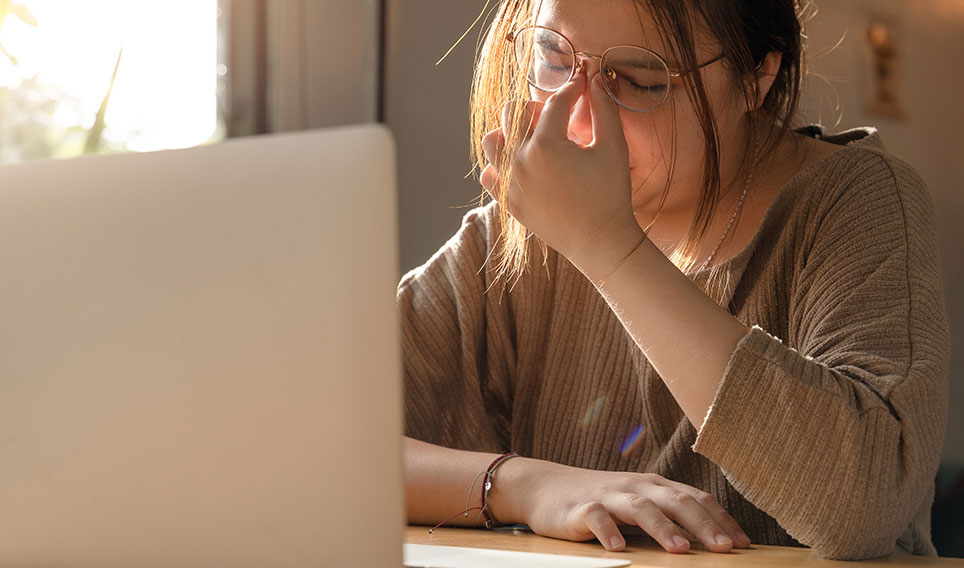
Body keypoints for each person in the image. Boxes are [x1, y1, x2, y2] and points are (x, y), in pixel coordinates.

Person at [397, 0, 949, 561]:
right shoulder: (523, 230)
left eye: (640, 81)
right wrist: (522, 485)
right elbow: (315, 434)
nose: (578, 119)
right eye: (554, 58)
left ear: (757, 77)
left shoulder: (857, 200)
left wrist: (608, 247)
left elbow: (863, 505)